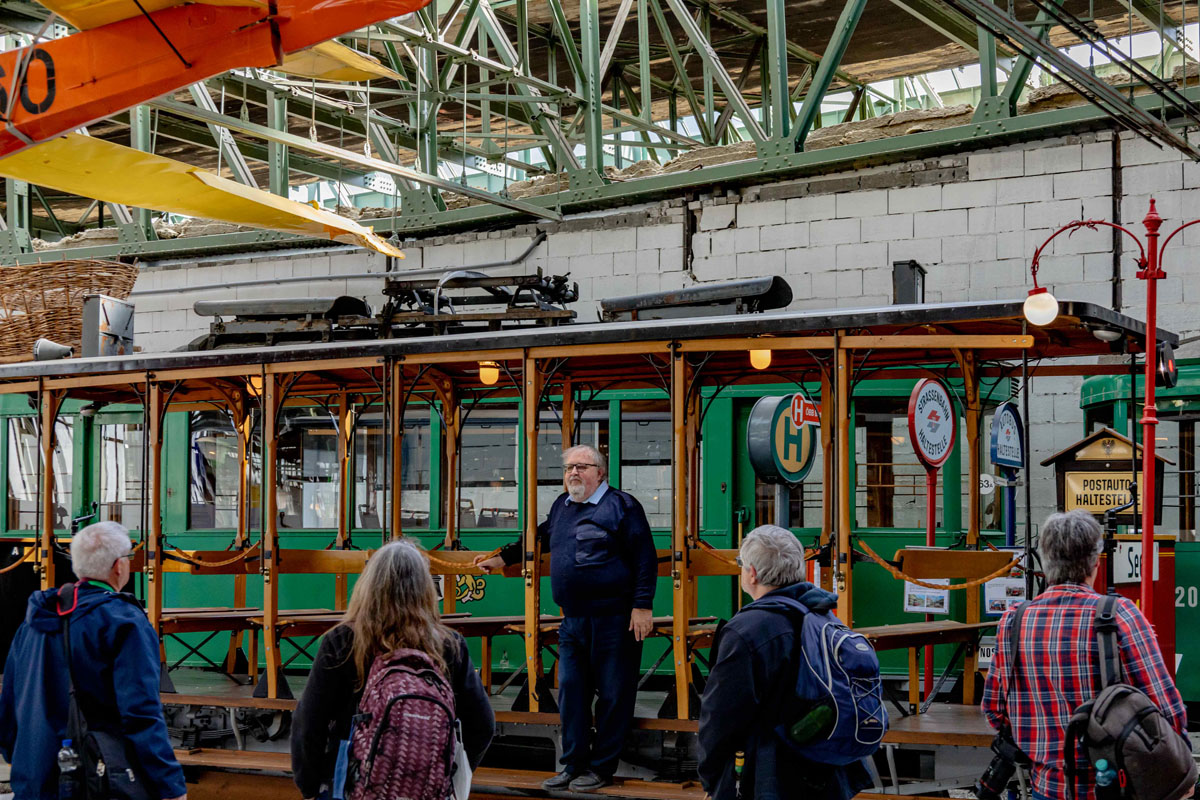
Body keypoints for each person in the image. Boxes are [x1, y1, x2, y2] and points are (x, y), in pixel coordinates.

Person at [473, 444, 657, 792]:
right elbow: (539, 536)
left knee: (615, 695)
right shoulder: (563, 506)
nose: (573, 473)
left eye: (582, 467)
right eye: (569, 467)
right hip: (573, 619)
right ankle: (573, 765)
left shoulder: (623, 506)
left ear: (600, 472)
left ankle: (601, 769)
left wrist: (642, 606)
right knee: (572, 692)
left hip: (615, 619)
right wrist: (502, 558)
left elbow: (644, 558)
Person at [981, 509, 1188, 800]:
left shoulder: (1013, 621)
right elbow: (1167, 711)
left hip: (1046, 788)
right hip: (1116, 789)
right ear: (1095, 562)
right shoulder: (1120, 615)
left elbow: (994, 711)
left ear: (1046, 560)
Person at [292, 539, 494, 800]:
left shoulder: (343, 640)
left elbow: (308, 723)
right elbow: (483, 725)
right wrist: (447, 773)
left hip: (350, 787)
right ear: (425, 590)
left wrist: (310, 787)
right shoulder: (450, 645)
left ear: (368, 586)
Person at [0, 522, 187, 800]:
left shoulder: (33, 621)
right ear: (118, 566)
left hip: (35, 781)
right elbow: (140, 713)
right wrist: (170, 785)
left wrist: (24, 763)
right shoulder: (124, 622)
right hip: (96, 782)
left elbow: (9, 703)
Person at [697, 525, 872, 800]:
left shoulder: (745, 630)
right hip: (828, 770)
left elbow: (720, 718)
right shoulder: (823, 616)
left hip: (770, 775)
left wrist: (712, 779)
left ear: (752, 574)